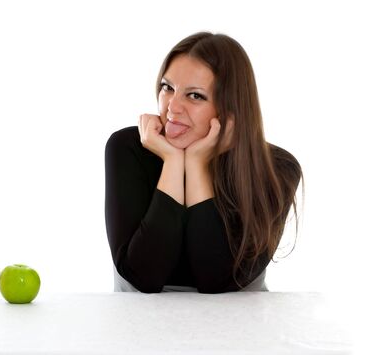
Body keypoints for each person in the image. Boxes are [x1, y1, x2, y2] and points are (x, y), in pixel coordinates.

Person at [104, 32, 303, 293]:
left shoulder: (278, 168)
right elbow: (142, 276)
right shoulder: (129, 147)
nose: (172, 108)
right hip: (140, 327)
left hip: (241, 328)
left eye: (195, 96)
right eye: (168, 88)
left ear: (230, 109)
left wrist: (197, 164)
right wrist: (173, 162)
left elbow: (215, 280)